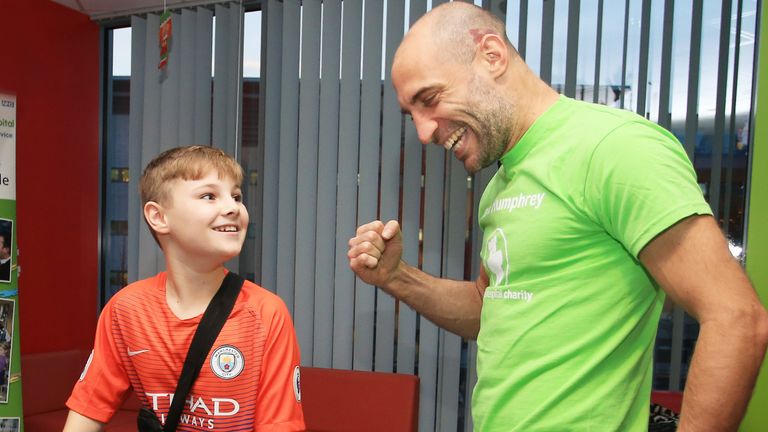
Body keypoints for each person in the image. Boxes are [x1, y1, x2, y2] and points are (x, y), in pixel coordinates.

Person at [347, 3, 768, 431]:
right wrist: (397, 277)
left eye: (430, 99)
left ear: (492, 55)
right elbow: (488, 307)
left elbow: (736, 318)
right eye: (412, 115)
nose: (423, 132)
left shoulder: (615, 148)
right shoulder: (501, 184)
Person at [64, 146, 305, 431]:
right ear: (158, 217)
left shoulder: (266, 314)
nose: (233, 208)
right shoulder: (126, 310)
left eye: (237, 196)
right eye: (209, 196)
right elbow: (87, 410)